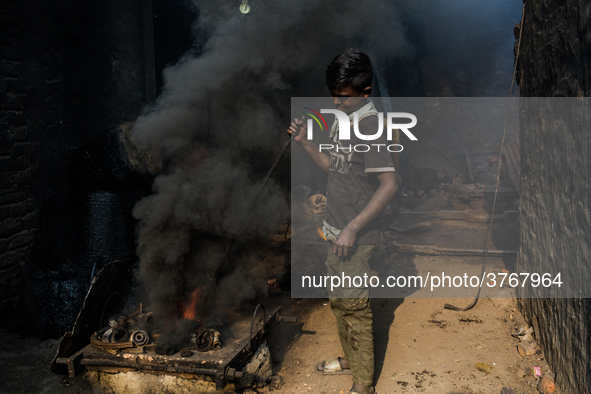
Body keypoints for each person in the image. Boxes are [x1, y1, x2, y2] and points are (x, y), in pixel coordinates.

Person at [288, 49, 398, 394]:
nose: (336, 103)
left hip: (355, 236)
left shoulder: (371, 127)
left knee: (355, 308)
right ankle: (353, 359)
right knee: (340, 304)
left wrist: (352, 228)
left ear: (365, 93)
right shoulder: (345, 121)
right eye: (333, 95)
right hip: (335, 230)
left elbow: (390, 185)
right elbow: (335, 168)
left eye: (343, 97)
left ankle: (363, 385)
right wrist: (306, 144)